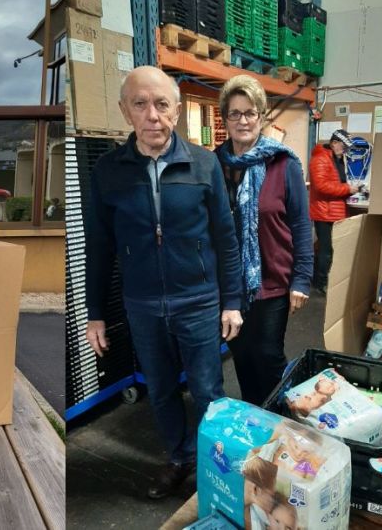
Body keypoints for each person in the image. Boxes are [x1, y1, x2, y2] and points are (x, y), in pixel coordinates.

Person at [85, 66, 244, 499]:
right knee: (158, 390)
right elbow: (99, 247)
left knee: (208, 390)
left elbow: (226, 239)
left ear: (176, 110)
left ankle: (216, 469)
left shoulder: (205, 163)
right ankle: (178, 459)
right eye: (140, 104)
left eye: (161, 104)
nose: (152, 115)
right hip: (142, 304)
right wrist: (95, 314)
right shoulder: (108, 172)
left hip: (197, 300)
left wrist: (231, 300)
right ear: (125, 111)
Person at [214, 75, 313, 407]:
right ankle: (254, 419)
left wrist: (301, 278)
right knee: (241, 356)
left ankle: (276, 424)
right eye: (235, 113)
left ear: (261, 115)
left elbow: (301, 225)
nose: (243, 120)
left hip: (273, 283)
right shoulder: (214, 166)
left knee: (268, 356)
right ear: (225, 118)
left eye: (250, 112)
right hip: (230, 286)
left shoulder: (282, 164)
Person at [308, 128, 361, 294]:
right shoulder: (320, 159)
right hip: (324, 212)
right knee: (326, 250)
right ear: (334, 143)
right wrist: (348, 189)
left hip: (334, 210)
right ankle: (320, 283)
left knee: (331, 249)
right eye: (343, 146)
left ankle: (326, 279)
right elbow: (321, 186)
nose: (345, 149)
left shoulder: (336, 159)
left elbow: (337, 181)